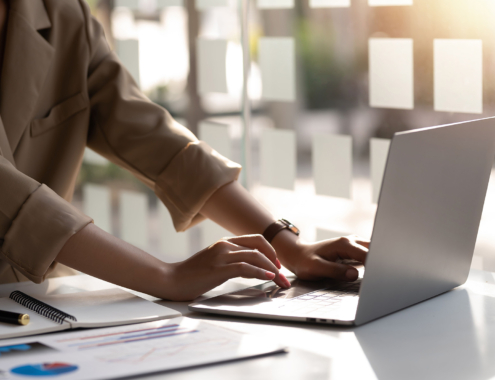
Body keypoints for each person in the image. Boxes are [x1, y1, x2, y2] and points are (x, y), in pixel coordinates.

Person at [0, 0, 369, 301]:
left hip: (38, 298)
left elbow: (150, 133)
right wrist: (165, 276)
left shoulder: (63, 13)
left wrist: (286, 245)